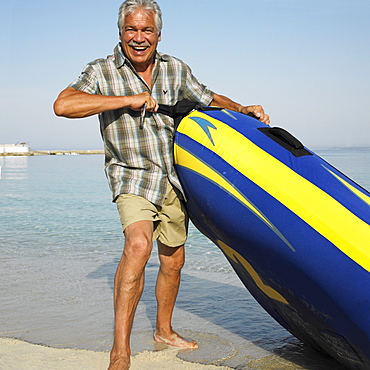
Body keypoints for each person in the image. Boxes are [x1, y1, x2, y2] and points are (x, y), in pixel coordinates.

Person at [53, 0, 270, 369]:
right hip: (130, 173)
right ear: (120, 33)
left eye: (146, 30)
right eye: (131, 30)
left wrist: (242, 108)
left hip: (172, 176)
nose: (139, 38)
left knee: (174, 261)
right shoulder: (102, 70)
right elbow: (63, 104)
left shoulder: (175, 69)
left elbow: (208, 97)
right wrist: (126, 100)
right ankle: (119, 351)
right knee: (138, 245)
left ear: (158, 34)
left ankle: (163, 331)